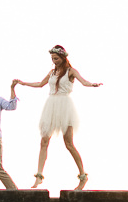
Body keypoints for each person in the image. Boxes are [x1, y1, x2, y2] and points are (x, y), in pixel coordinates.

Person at [15, 45, 102, 191]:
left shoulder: (71, 71)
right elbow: (40, 84)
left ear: (63, 58)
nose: (54, 61)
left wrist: (92, 84)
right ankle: (39, 176)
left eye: (56, 58)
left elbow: (84, 81)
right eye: (52, 59)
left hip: (65, 106)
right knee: (44, 141)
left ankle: (83, 176)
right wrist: (23, 83)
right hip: (51, 105)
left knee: (68, 143)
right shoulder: (52, 72)